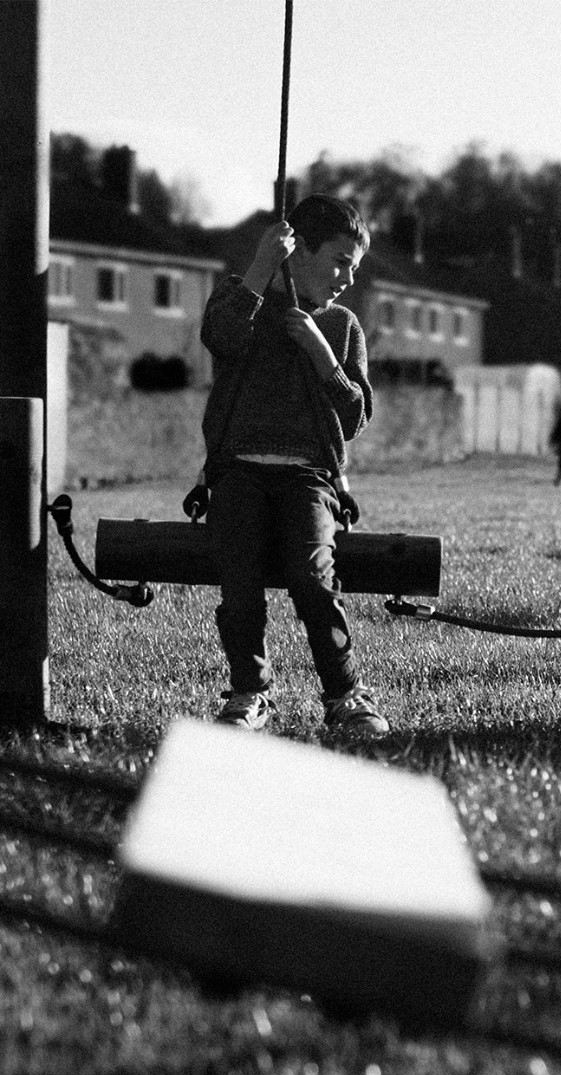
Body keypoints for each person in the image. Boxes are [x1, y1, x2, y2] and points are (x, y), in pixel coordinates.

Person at [189, 193, 388, 739]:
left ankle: (346, 693)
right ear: (298, 251)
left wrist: (325, 358)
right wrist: (258, 268)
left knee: (311, 574)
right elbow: (220, 337)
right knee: (240, 578)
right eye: (340, 261)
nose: (348, 277)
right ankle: (249, 693)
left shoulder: (343, 326)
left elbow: (353, 418)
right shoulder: (240, 300)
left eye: (355, 266)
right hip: (238, 473)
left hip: (308, 478)